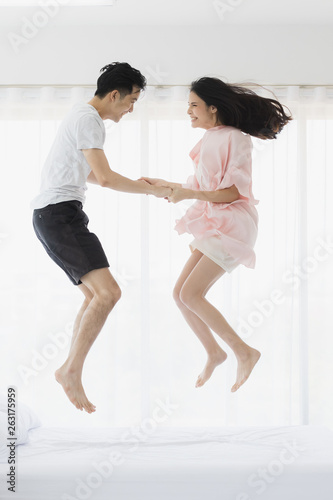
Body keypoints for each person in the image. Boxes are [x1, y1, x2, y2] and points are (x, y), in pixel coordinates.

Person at [31, 62, 171, 414]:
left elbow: (91, 174)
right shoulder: (89, 120)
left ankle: (68, 369)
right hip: (60, 215)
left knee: (95, 296)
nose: (131, 109)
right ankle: (70, 371)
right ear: (114, 95)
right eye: (132, 100)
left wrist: (142, 184)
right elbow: (105, 179)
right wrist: (151, 191)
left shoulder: (79, 116)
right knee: (109, 293)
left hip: (52, 215)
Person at [142, 77, 292, 392]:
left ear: (213, 107)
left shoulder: (235, 139)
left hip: (232, 223)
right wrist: (167, 186)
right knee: (180, 295)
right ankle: (214, 352)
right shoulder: (212, 138)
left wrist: (185, 195)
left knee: (190, 295)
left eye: (193, 105)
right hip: (214, 221)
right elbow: (203, 189)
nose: (189, 112)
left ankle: (243, 352)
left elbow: (231, 193)